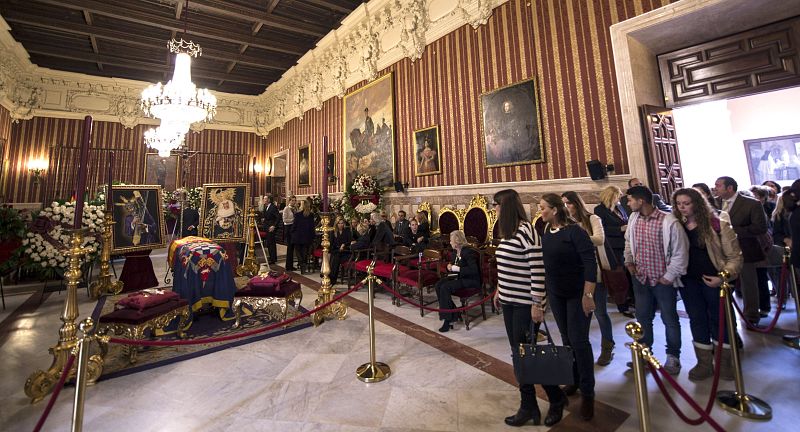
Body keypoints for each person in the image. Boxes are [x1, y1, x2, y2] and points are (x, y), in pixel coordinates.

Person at [491, 189, 565, 427]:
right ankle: (532, 404)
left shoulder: (526, 231)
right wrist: (499, 289)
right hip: (510, 301)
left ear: (507, 207)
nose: (494, 210)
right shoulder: (507, 232)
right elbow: (506, 265)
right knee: (520, 353)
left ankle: (551, 399)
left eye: (497, 205)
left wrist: (537, 303)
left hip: (525, 304)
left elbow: (537, 270)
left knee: (527, 354)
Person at [672, 188, 742, 381]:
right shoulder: (677, 225)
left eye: (686, 203)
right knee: (697, 319)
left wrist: (723, 277)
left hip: (714, 279)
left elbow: (735, 257)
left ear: (698, 203)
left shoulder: (717, 223)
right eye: (679, 204)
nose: (682, 207)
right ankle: (703, 363)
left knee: (720, 320)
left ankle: (725, 362)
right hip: (689, 281)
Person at [540, 193, 597, 420]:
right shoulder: (546, 232)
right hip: (557, 293)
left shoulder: (575, 232)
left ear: (555, 210)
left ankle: (589, 392)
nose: (540, 211)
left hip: (577, 293)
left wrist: (588, 294)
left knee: (579, 341)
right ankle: (572, 379)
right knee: (565, 338)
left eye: (543, 207)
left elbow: (589, 265)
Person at [624, 185, 688, 375]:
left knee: (670, 318)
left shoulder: (668, 221)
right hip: (641, 277)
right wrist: (629, 261)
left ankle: (673, 356)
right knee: (643, 318)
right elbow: (629, 241)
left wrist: (669, 276)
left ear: (640, 201)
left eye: (630, 200)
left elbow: (679, 251)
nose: (628, 204)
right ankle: (645, 354)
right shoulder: (633, 218)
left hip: (662, 280)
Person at [562, 191, 615, 367]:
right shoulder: (566, 223)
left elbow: (600, 239)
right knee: (579, 316)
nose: (566, 207)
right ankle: (581, 350)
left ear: (577, 203)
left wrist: (576, 238)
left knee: (600, 312)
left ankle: (607, 346)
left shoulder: (592, 219)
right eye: (563, 204)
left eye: (568, 203)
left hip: (595, 273)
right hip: (574, 273)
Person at [713, 176, 769, 326]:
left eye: (718, 186)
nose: (715, 188)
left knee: (748, 283)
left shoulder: (751, 204)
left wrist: (731, 231)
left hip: (745, 248)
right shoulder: (714, 203)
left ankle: (751, 315)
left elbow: (760, 228)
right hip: (721, 250)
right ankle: (724, 316)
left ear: (729, 188)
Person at [593, 185, 634, 317]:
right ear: (610, 196)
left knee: (628, 275)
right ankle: (622, 305)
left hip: (626, 244)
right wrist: (619, 230)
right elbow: (601, 229)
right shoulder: (599, 210)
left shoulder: (620, 207)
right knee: (618, 276)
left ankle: (631, 300)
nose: (620, 199)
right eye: (618, 196)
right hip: (612, 247)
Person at [435, 230, 481, 332]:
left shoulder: (468, 252)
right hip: (458, 277)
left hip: (470, 280)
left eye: (451, 240)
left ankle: (448, 320)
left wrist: (458, 269)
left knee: (445, 287)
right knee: (438, 285)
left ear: (457, 241)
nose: (450, 242)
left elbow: (474, 270)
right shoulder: (455, 252)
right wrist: (449, 266)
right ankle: (454, 313)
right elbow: (453, 265)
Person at [292, 198, 315, 274]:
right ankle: (303, 264)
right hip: (307, 237)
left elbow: (294, 225)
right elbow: (312, 227)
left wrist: (292, 232)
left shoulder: (298, 215)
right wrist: (312, 236)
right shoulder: (311, 215)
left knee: (298, 251)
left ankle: (302, 264)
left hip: (298, 236)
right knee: (304, 251)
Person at [329, 216, 352, 284]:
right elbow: (331, 243)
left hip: (345, 252)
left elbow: (350, 240)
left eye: (342, 223)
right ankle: (332, 279)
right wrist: (338, 248)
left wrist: (344, 244)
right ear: (336, 224)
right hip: (336, 250)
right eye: (339, 223)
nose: (341, 225)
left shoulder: (347, 231)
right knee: (336, 256)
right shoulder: (333, 232)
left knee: (336, 258)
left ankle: (331, 278)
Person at [260, 195, 280, 265]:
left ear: (268, 200)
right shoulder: (266, 207)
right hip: (267, 227)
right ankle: (271, 257)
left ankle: (273, 259)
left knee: (271, 244)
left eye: (265, 199)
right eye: (264, 199)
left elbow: (278, 217)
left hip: (271, 228)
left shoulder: (273, 207)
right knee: (269, 243)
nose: (264, 200)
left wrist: (274, 226)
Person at [282, 196, 297, 271]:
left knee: (292, 248)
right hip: (288, 228)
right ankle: (288, 266)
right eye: (292, 200)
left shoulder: (295, 209)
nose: (294, 202)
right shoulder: (286, 209)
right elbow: (284, 220)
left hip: (294, 229)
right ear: (289, 201)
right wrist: (293, 219)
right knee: (290, 248)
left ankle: (291, 265)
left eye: (295, 200)